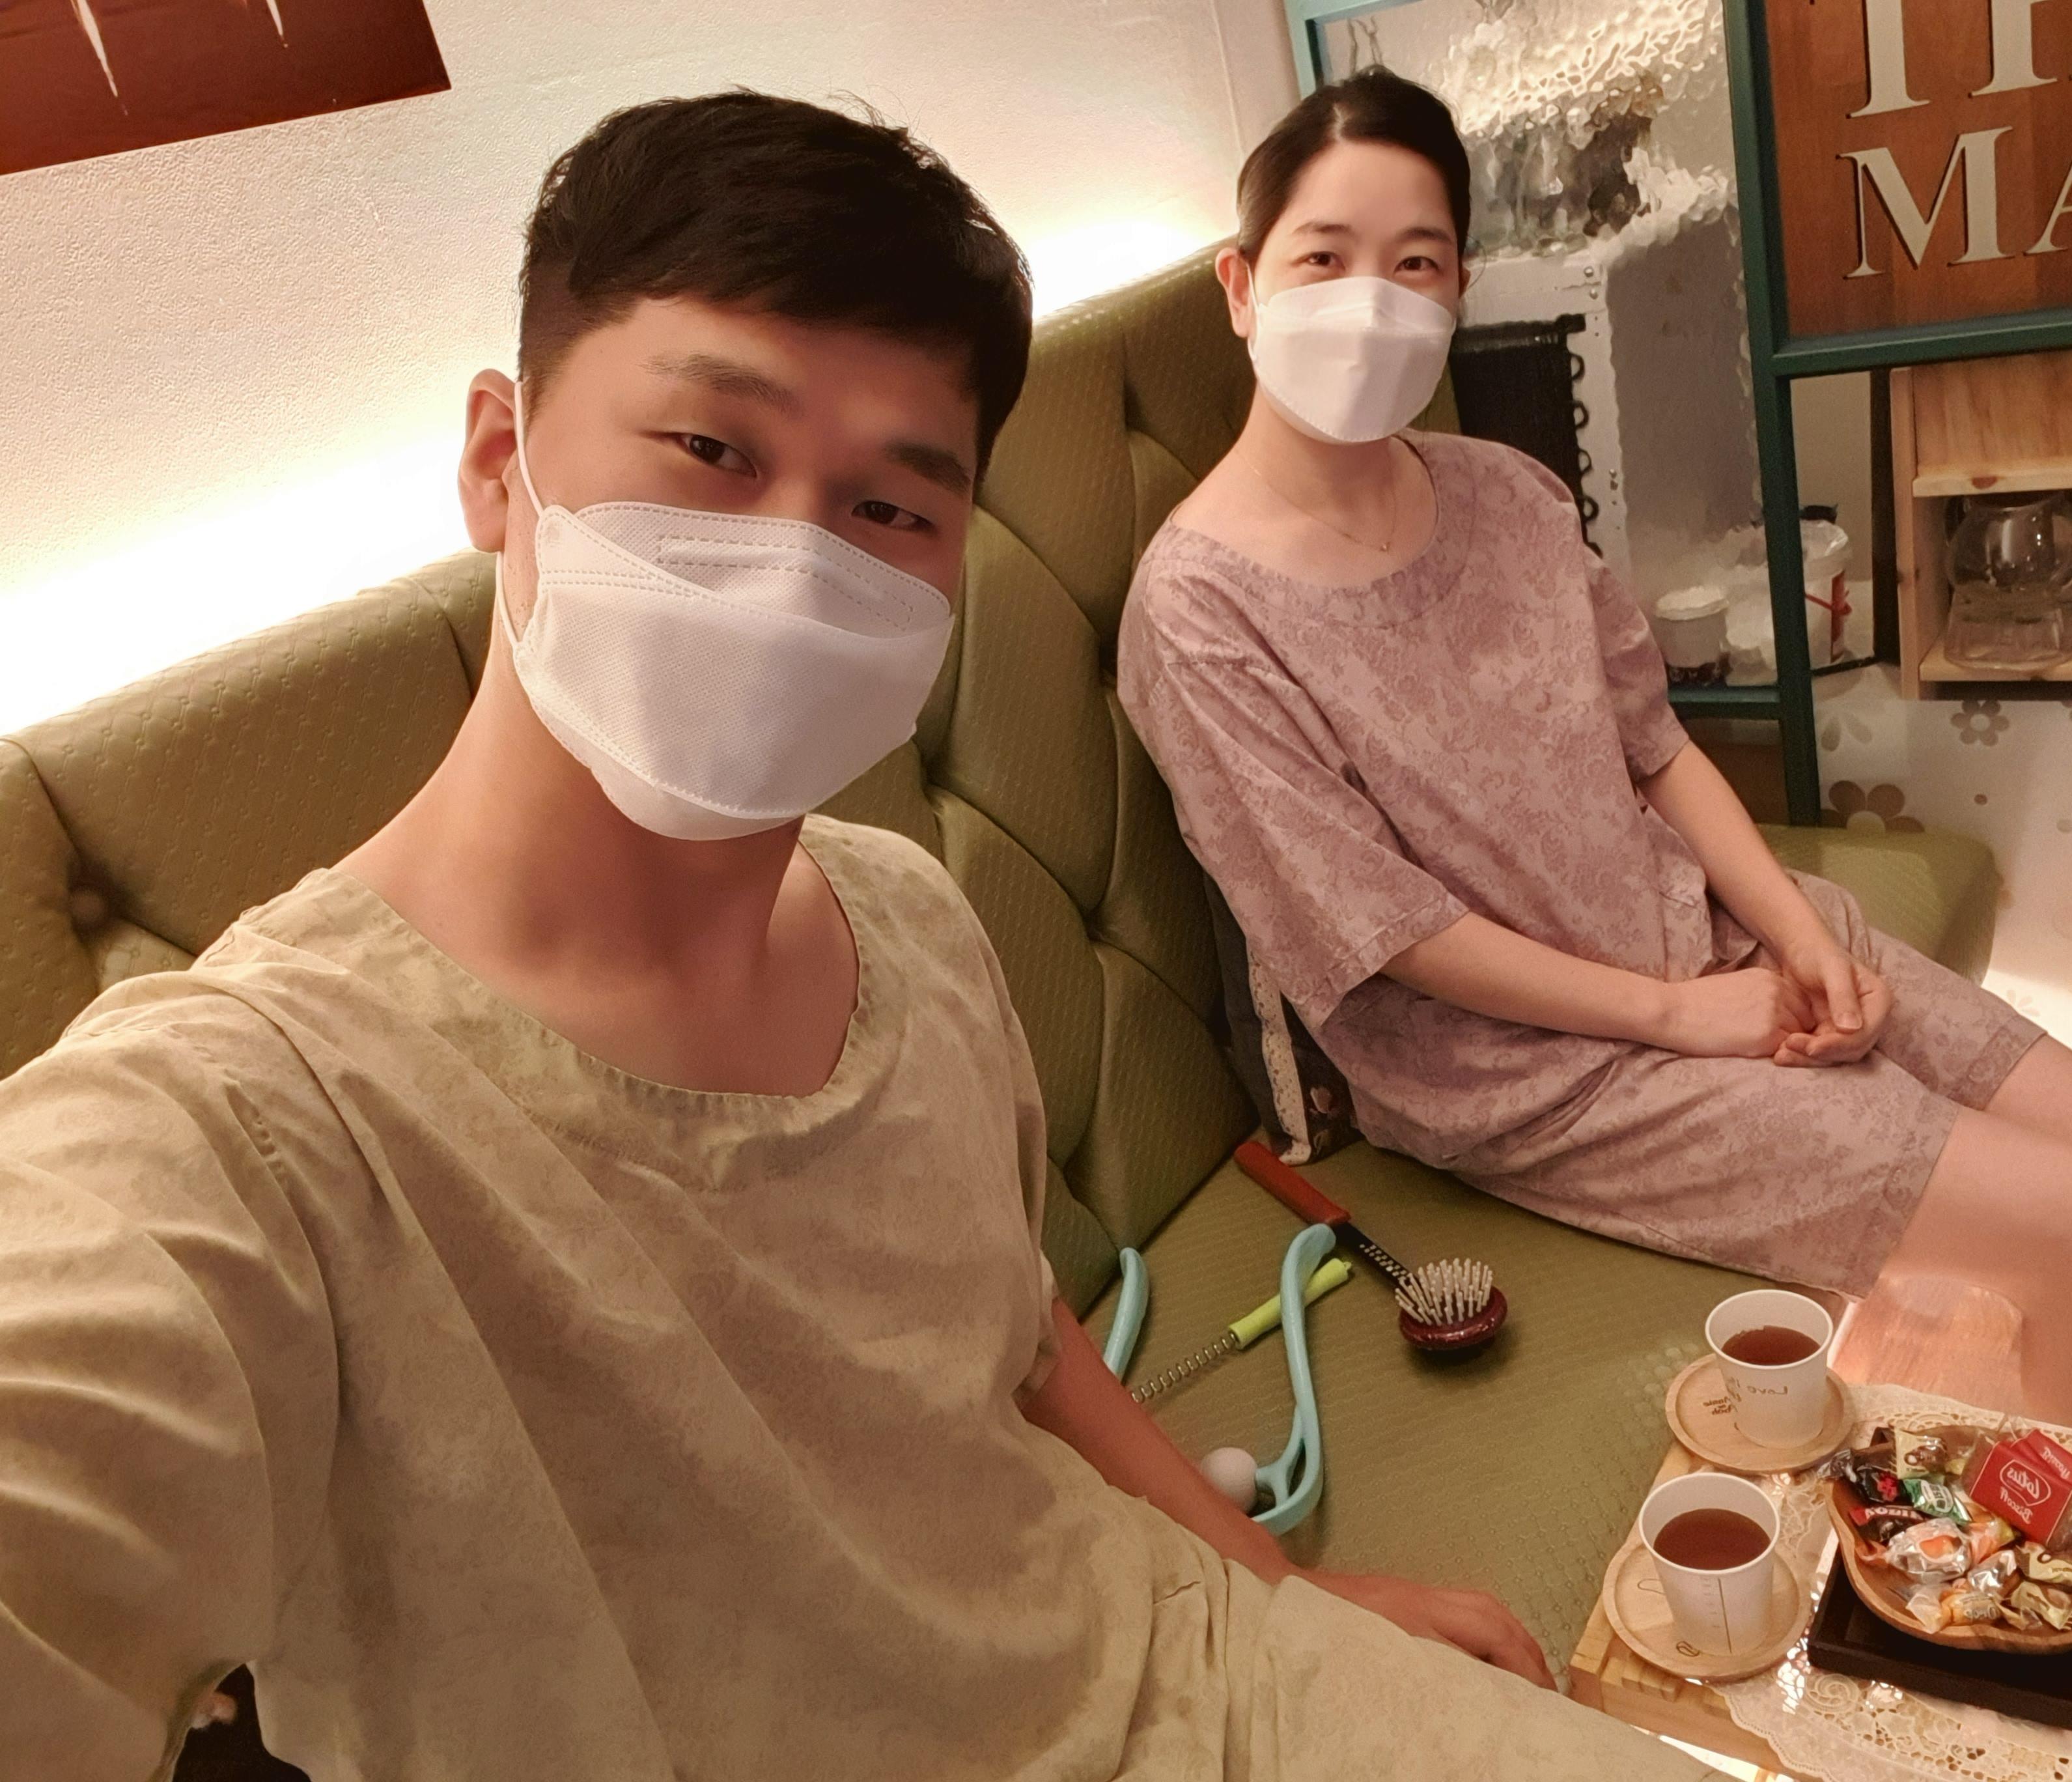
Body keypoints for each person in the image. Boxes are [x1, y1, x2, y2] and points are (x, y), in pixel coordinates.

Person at [0, 91, 1735, 1782]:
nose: (791, 568)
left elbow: (1025, 1339)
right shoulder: (249, 1130)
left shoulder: (906, 915)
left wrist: (1283, 1598)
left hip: (1187, 1667)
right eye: (713, 451)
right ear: (499, 461)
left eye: (891, 510)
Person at [1115, 67, 2072, 1449]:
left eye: (1415, 263)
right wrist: (1681, 1017)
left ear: (1457, 288)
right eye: (1325, 258)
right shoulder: (1200, 613)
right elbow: (1389, 934)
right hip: (1542, 1078)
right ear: (1242, 284)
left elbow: (1656, 750)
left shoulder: (1506, 491)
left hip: (1717, 946)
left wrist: (1798, 936)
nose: (1370, 301)